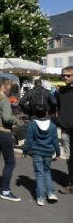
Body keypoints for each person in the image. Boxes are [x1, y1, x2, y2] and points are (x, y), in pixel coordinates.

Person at [22, 105, 60, 206]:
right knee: (47, 171)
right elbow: (55, 140)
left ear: (35, 113)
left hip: (37, 152)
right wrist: (58, 153)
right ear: (46, 112)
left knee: (39, 174)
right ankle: (51, 193)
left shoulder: (32, 124)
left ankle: (40, 198)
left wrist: (25, 152)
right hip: (48, 152)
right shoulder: (52, 125)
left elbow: (29, 140)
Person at [55, 66, 73, 194]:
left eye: (68, 75)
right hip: (66, 129)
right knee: (69, 158)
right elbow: (58, 108)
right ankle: (71, 184)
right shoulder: (61, 91)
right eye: (63, 75)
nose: (65, 77)